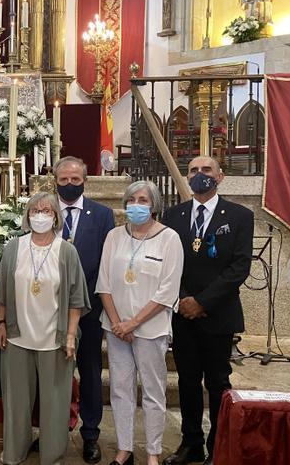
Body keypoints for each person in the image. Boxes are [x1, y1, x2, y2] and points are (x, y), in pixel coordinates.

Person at [161, 157, 253, 465]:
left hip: (218, 313)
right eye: (193, 171)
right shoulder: (173, 215)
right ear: (187, 178)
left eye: (206, 170)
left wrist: (203, 302)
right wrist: (185, 300)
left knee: (217, 382)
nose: (200, 175)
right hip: (183, 313)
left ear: (220, 177)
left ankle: (218, 445)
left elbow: (239, 267)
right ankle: (191, 443)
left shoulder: (240, 216)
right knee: (187, 381)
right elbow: (167, 264)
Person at [0, 192, 90, 465]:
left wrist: (71, 335)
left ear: (56, 217)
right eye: (35, 210)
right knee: (16, 401)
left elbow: (75, 298)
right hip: (17, 336)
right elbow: (2, 290)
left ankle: (52, 455)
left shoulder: (67, 251)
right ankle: (15, 450)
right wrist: (1, 323)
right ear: (27, 216)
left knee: (55, 402)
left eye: (47, 210)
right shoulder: (14, 247)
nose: (40, 214)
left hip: (55, 338)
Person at [97, 181, 184, 465]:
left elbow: (167, 291)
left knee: (153, 391)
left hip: (150, 328)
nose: (136, 204)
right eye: (132, 199)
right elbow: (104, 283)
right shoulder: (114, 236)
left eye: (143, 200)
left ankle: (153, 452)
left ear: (154, 205)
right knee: (120, 390)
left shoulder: (169, 238)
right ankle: (124, 449)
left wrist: (133, 323)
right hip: (115, 327)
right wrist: (117, 322)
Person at [53, 156, 115, 464]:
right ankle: (53, 431)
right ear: (55, 181)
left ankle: (90, 434)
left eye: (75, 180)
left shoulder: (102, 215)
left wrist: (89, 299)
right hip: (48, 310)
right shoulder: (44, 211)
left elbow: (107, 262)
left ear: (85, 181)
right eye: (63, 180)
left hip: (89, 309)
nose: (69, 185)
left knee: (90, 372)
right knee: (52, 375)